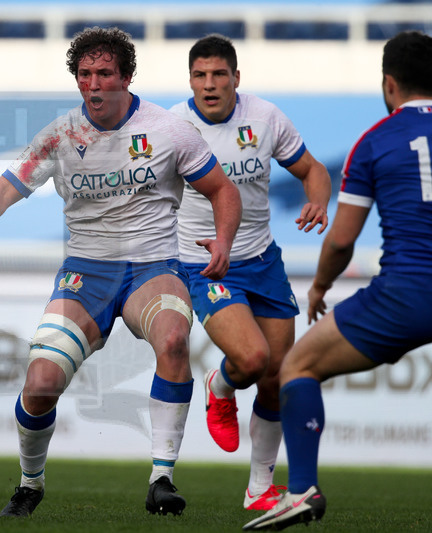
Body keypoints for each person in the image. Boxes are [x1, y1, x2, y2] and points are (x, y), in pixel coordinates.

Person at [0, 26, 241, 518]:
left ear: (126, 77)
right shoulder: (61, 135)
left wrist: (224, 240)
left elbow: (222, 190)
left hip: (153, 265)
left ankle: (162, 479)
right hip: (86, 271)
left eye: (105, 73)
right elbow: (5, 190)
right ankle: (29, 483)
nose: (95, 84)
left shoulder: (169, 130)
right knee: (41, 383)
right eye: (85, 75)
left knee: (173, 341)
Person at [243, 30, 432, 530]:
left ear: (389, 84)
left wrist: (321, 287)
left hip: (407, 293)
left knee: (299, 364)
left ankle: (302, 490)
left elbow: (343, 239)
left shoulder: (374, 141)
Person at [168, 34, 331, 511]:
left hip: (263, 261)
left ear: (237, 79)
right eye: (200, 75)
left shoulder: (264, 117)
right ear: (191, 81)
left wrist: (318, 197)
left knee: (279, 376)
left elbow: (312, 168)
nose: (210, 84)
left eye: (219, 75)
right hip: (205, 265)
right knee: (253, 358)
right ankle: (219, 385)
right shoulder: (173, 127)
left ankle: (260, 488)